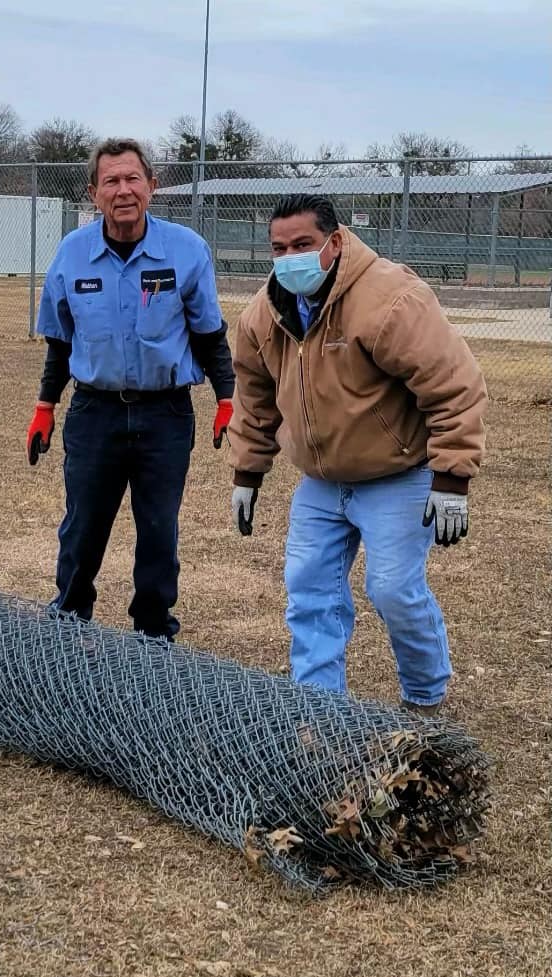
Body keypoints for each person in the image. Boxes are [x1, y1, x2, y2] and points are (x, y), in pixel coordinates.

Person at [226, 193, 487, 712]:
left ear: (336, 241)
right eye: (279, 248)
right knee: (309, 592)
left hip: (397, 474)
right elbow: (255, 397)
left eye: (303, 244)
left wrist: (452, 477)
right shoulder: (265, 314)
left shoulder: (391, 300)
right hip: (321, 483)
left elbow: (453, 384)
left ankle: (424, 699)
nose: (290, 258)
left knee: (393, 590)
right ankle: (321, 711)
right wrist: (247, 472)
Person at [27, 137, 235, 641]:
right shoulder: (72, 254)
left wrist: (227, 397)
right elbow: (60, 341)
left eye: (132, 179)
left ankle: (153, 636)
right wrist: (45, 406)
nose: (123, 190)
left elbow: (209, 334)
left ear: (152, 186)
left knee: (159, 531)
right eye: (111, 181)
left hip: (165, 414)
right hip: (94, 413)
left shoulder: (187, 250)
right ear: (93, 193)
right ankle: (69, 624)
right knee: (82, 527)